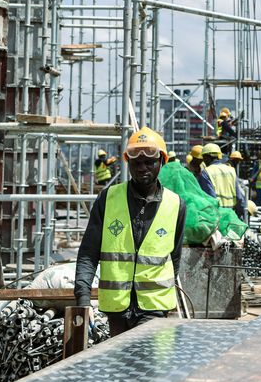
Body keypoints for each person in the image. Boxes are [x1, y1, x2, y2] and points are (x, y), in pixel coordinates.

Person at [74, 127, 186, 336]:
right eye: (136, 162)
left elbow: (175, 259)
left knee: (149, 365)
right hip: (116, 307)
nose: (143, 168)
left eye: (149, 162)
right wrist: (83, 298)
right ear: (129, 162)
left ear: (162, 161)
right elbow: (89, 252)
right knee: (120, 365)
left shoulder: (175, 205)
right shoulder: (109, 199)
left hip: (153, 308)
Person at [202, 143, 246, 219]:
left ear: (207, 157)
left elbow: (211, 199)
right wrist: (238, 216)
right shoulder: (231, 170)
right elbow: (239, 197)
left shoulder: (206, 172)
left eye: (204, 157)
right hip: (232, 216)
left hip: (218, 217)